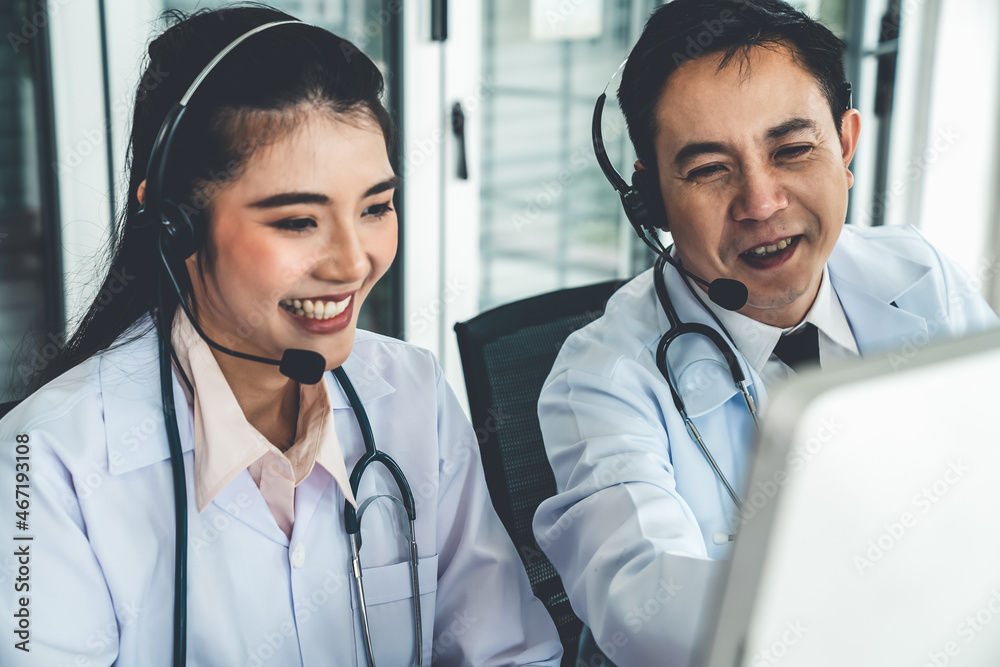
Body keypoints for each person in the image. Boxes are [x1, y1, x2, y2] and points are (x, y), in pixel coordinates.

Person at [0, 6, 561, 666]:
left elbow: (505, 651)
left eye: (376, 207)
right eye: (298, 220)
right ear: (174, 225)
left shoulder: (411, 393)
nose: (353, 262)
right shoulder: (45, 464)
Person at [532, 1, 999, 665]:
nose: (761, 203)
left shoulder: (917, 275)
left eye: (792, 150)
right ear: (654, 201)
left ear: (846, 146)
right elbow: (650, 615)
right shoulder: (599, 380)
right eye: (708, 168)